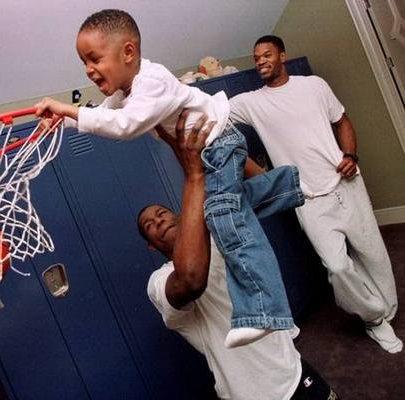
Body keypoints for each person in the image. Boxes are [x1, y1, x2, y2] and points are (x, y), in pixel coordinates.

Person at [35, 8, 304, 347]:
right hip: (210, 149)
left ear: (128, 52)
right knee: (222, 207)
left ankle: (264, 308)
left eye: (94, 59)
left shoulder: (152, 81)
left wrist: (68, 109)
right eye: (84, 63)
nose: (89, 70)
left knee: (225, 217)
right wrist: (65, 120)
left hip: (218, 144)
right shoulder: (127, 90)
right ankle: (289, 186)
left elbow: (125, 126)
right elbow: (104, 114)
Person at [139, 111, 340, 399]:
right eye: (150, 225)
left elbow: (239, 192)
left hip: (293, 371)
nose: (158, 221)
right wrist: (194, 174)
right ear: (151, 245)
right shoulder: (159, 283)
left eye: (161, 214)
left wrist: (221, 149)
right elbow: (191, 279)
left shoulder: (217, 231)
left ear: (183, 216)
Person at [229, 35, 402, 354]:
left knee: (372, 254)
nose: (261, 61)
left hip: (345, 185)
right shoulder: (250, 103)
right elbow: (211, 115)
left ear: (283, 55)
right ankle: (375, 319)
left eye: (267, 55)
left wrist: (350, 155)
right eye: (256, 58)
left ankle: (388, 308)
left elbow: (343, 121)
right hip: (307, 198)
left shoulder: (314, 86)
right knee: (337, 266)